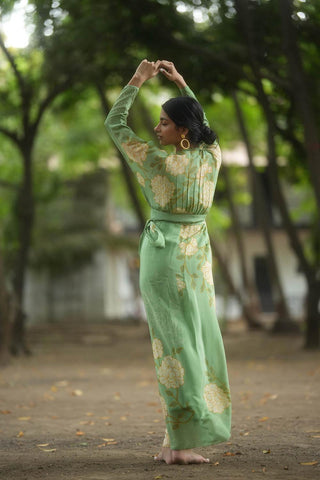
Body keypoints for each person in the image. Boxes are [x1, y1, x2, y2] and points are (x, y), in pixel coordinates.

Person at [105, 60, 231, 465]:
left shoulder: (154, 160)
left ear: (182, 132)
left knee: (176, 350)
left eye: (163, 123)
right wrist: (182, 84)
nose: (157, 129)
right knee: (188, 346)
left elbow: (115, 123)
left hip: (164, 259)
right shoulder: (211, 158)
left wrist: (138, 80)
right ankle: (180, 444)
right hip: (195, 260)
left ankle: (174, 444)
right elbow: (203, 124)